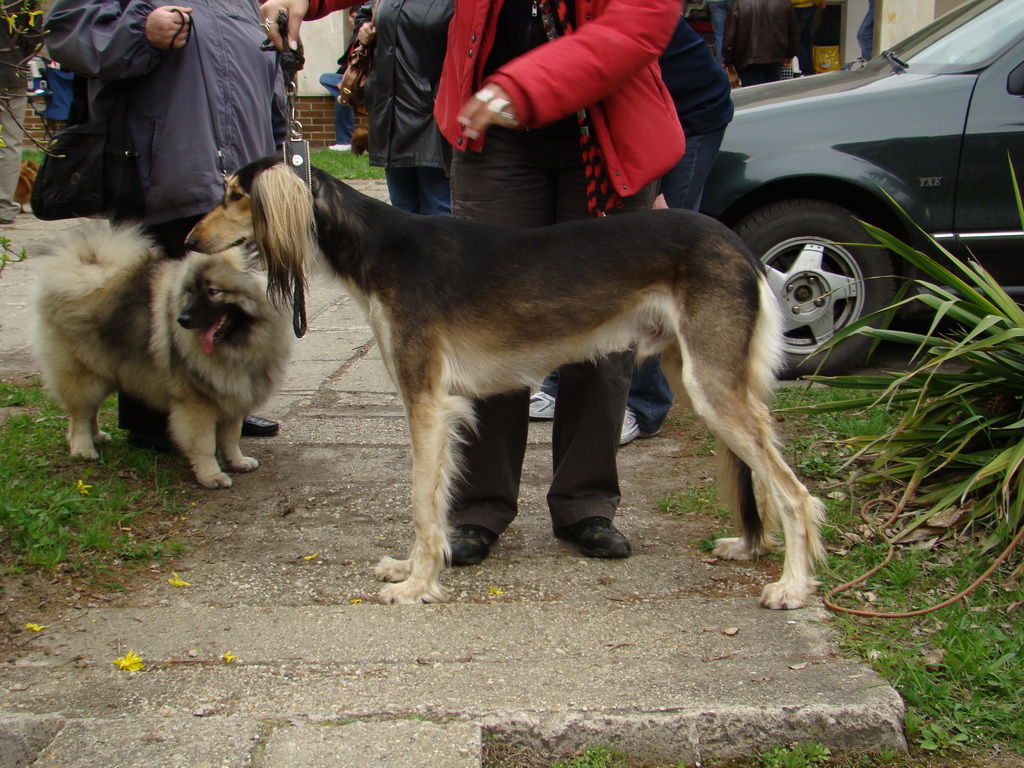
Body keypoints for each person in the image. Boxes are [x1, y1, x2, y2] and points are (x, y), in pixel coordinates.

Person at [260, 0, 684, 565]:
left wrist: (526, 83)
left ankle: (586, 503)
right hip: (497, 129)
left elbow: (639, 23)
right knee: (483, 317)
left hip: (602, 127)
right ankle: (479, 508)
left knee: (605, 331)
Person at [44, 0, 286, 446]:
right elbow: (65, 30)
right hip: (164, 169)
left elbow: (265, 76)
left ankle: (224, 403)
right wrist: (140, 31)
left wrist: (275, 151)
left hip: (238, 183)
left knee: (231, 296)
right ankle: (153, 417)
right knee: (159, 302)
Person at [625, 13, 734, 443]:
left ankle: (643, 406)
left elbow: (628, 91)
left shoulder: (621, 12)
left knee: (658, 258)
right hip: (645, 110)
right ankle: (560, 387)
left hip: (690, 115)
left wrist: (654, 188)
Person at [357, 0, 452, 215]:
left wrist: (442, 93)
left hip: (433, 114)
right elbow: (366, 13)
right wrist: (363, 30)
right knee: (401, 211)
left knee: (439, 211)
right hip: (390, 112)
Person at [0, 0, 42, 225]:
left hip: (10, 70)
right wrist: (18, 58)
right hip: (11, 72)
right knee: (9, 142)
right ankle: (4, 207)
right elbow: (36, 35)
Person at [723, 0, 799, 86]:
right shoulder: (785, 3)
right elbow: (794, 33)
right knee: (773, 94)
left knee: (753, 95)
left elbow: (729, 36)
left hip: (747, 59)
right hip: (775, 56)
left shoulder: (738, 5)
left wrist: (728, 60)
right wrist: (790, 54)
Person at [318, 5, 360, 151]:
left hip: (360, 79)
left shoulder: (365, 36)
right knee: (325, 78)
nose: (352, 20)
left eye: (356, 17)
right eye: (351, 17)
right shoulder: (354, 37)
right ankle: (345, 90)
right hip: (347, 77)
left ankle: (344, 141)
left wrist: (347, 82)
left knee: (342, 96)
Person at [791, 0, 826, 76]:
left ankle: (805, 68)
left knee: (797, 39)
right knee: (807, 39)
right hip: (810, 6)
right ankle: (808, 69)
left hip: (797, 7)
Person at [705, 0, 734, 69]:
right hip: (734, 2)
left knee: (719, 36)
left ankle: (722, 70)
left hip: (715, 2)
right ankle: (735, 69)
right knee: (736, 33)